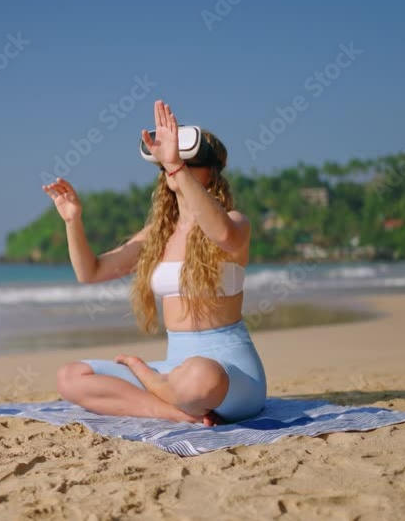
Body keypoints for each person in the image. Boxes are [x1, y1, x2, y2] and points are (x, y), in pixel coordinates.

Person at [42, 100, 266, 426]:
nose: (176, 169)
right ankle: (173, 411)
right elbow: (90, 273)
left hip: (228, 372)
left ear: (211, 172)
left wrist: (175, 164)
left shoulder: (234, 222)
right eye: (169, 164)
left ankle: (148, 378)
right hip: (176, 369)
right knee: (71, 376)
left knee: (199, 378)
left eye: (188, 163)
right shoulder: (158, 236)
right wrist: (72, 221)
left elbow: (223, 235)